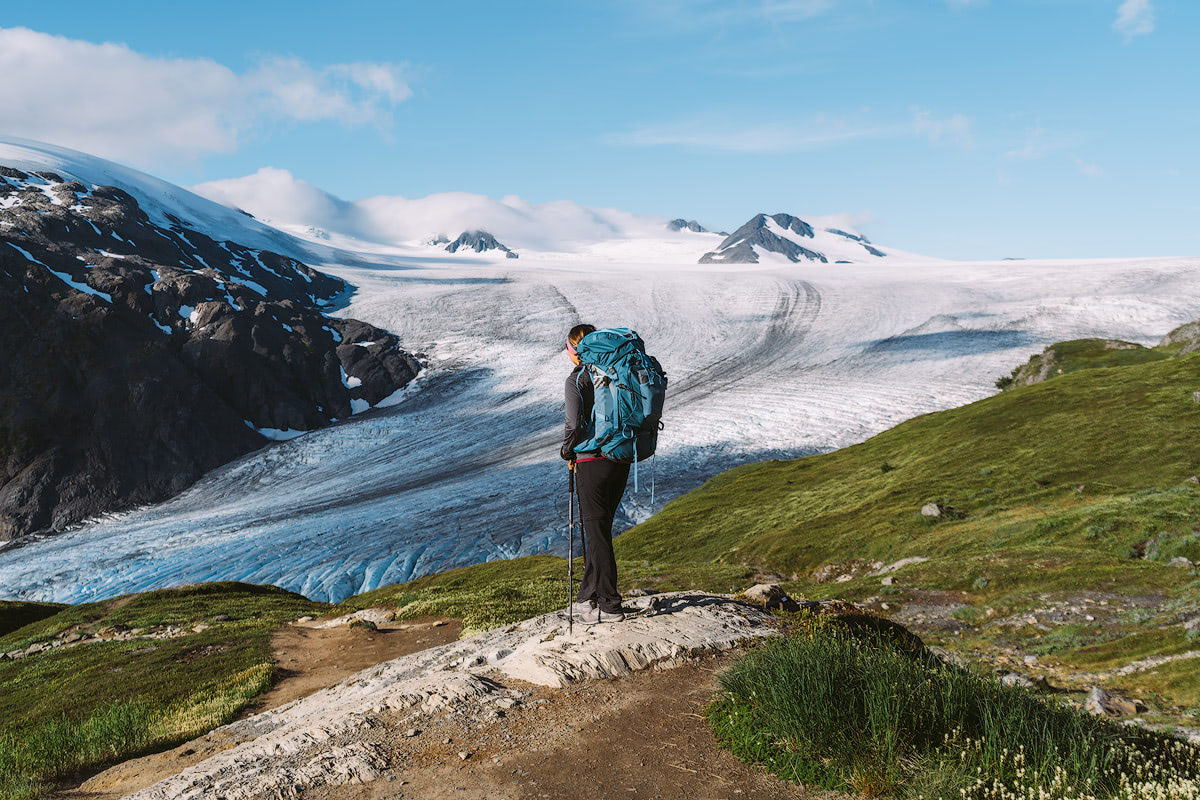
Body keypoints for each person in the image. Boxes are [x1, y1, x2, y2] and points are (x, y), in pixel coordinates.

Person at [561, 323, 631, 623]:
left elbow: (575, 425)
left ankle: (610, 605)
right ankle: (588, 597)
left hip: (591, 460)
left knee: (596, 531)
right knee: (598, 528)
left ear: (574, 349)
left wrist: (567, 449)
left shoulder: (578, 378)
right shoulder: (616, 374)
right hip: (621, 457)